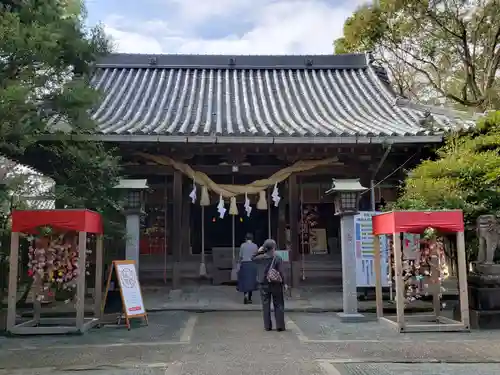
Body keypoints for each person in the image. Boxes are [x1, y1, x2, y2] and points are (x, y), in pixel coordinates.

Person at [252, 239, 287, 331]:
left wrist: (259, 250)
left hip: (263, 283)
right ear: (274, 248)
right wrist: (284, 282)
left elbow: (252, 257)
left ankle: (267, 326)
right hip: (276, 283)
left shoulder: (260, 258)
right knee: (279, 303)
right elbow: (281, 272)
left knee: (265, 304)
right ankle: (280, 325)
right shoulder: (277, 258)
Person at [237, 233, 259, 304]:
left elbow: (240, 256)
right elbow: (257, 256)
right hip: (252, 264)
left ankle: (245, 295)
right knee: (251, 281)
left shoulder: (243, 245)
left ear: (246, 238)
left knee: (245, 281)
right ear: (252, 239)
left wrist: (238, 265)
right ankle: (249, 297)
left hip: (245, 264)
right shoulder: (255, 246)